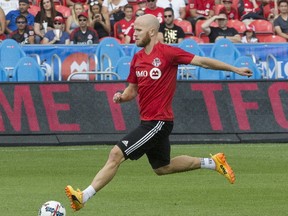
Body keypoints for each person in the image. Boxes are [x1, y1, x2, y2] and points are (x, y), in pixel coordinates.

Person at [65, 14, 252, 212]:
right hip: (149, 121)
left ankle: (83, 196)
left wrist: (234, 69)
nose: (133, 33)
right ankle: (212, 162)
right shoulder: (137, 58)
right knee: (163, 168)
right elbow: (132, 91)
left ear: (152, 32)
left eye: (138, 30)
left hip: (158, 122)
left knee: (116, 154)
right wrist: (121, 96)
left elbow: (203, 62)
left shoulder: (168, 53)